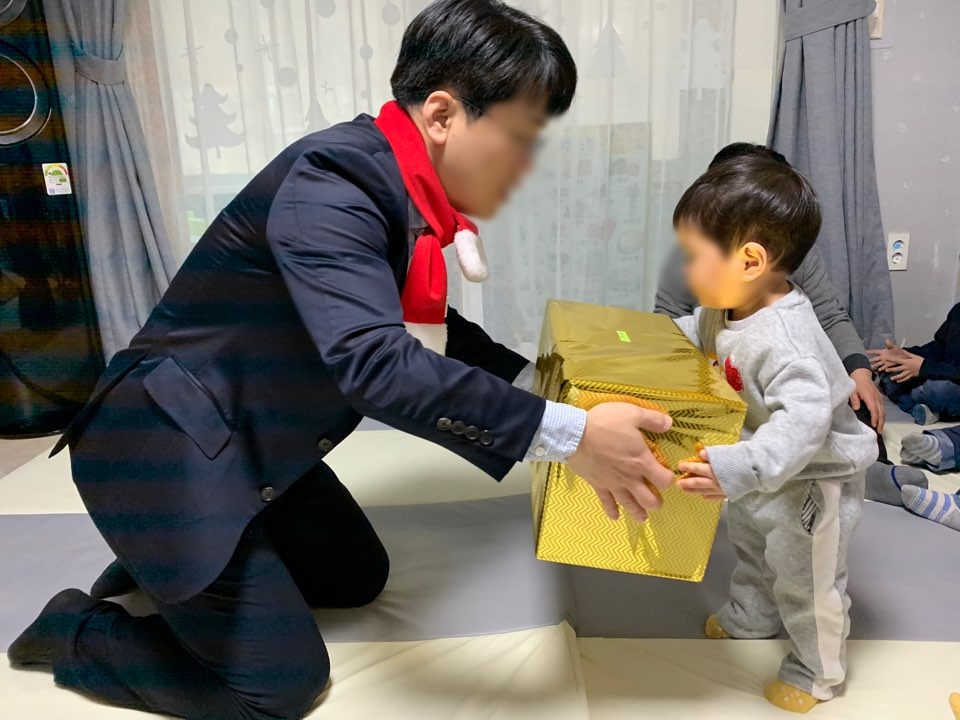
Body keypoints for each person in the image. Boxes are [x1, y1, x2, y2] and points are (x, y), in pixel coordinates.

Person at [8, 3, 677, 718]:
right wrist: (569, 436)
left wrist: (554, 390)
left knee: (356, 578)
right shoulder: (334, 183)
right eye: (518, 138)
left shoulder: (392, 190)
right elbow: (378, 363)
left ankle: (173, 562)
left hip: (247, 442)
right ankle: (77, 628)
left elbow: (433, 332)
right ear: (443, 115)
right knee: (277, 688)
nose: (525, 165)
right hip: (162, 453)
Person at [670, 155, 878, 713]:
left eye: (693, 256)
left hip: (814, 480)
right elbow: (693, 331)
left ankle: (817, 671)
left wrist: (736, 468)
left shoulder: (787, 339)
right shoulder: (726, 307)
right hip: (761, 467)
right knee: (753, 550)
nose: (685, 271)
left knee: (806, 579)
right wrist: (644, 341)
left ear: (750, 260)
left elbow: (804, 426)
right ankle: (752, 617)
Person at [868, 304, 960, 425]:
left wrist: (923, 368)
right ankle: (924, 406)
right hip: (943, 374)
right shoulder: (958, 310)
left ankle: (912, 403)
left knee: (939, 390)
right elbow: (938, 348)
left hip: (949, 386)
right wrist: (905, 355)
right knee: (890, 373)